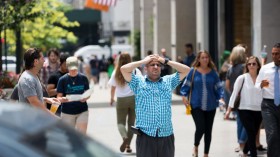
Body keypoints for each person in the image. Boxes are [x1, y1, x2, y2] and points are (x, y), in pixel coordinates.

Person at [120, 54, 190, 157]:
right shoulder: (138, 82)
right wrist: (142, 61)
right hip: (146, 136)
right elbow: (123, 69)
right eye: (152, 64)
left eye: (158, 65)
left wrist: (166, 61)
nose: (156, 67)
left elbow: (187, 70)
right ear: (146, 68)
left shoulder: (168, 81)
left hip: (166, 135)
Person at [180, 50, 224, 157]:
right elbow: (186, 85)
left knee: (208, 130)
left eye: (206, 57)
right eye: (203, 57)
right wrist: (184, 96)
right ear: (198, 59)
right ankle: (196, 146)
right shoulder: (193, 71)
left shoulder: (213, 73)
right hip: (196, 105)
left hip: (211, 105)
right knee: (201, 127)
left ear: (209, 59)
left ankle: (206, 154)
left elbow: (219, 87)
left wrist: (221, 98)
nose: (205, 59)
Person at [225, 56, 263, 157]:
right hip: (244, 110)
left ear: (258, 65)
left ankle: (245, 150)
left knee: (253, 133)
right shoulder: (242, 78)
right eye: (249, 64)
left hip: (259, 110)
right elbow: (234, 93)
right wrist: (228, 110)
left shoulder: (262, 78)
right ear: (246, 65)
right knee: (251, 133)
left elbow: (266, 93)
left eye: (254, 64)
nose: (251, 66)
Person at [108, 52, 142, 153]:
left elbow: (112, 87)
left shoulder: (116, 72)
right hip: (133, 99)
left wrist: (111, 98)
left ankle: (124, 137)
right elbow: (141, 83)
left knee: (120, 122)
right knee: (131, 124)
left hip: (121, 99)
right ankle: (128, 146)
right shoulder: (135, 70)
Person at [17, 48, 60, 114]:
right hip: (29, 121)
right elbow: (34, 102)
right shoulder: (28, 79)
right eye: (42, 58)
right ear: (36, 61)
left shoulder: (33, 76)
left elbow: (32, 97)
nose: (44, 61)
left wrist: (46, 99)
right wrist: (53, 117)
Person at [255, 43, 280, 157]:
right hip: (268, 105)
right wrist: (261, 85)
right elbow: (256, 85)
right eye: (273, 54)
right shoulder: (265, 68)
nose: (274, 56)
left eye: (277, 54)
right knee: (272, 134)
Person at [56, 56, 90, 134]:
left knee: (82, 135)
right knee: (69, 136)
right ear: (67, 67)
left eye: (75, 69)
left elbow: (87, 93)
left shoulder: (83, 78)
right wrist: (63, 99)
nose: (73, 71)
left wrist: (85, 97)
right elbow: (59, 97)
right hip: (67, 112)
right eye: (71, 69)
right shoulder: (62, 80)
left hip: (82, 110)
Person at [225, 45, 248, 152]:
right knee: (248, 122)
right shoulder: (245, 67)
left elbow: (227, 86)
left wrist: (234, 95)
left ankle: (240, 144)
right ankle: (242, 142)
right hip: (247, 99)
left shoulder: (231, 69)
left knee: (239, 122)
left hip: (236, 100)